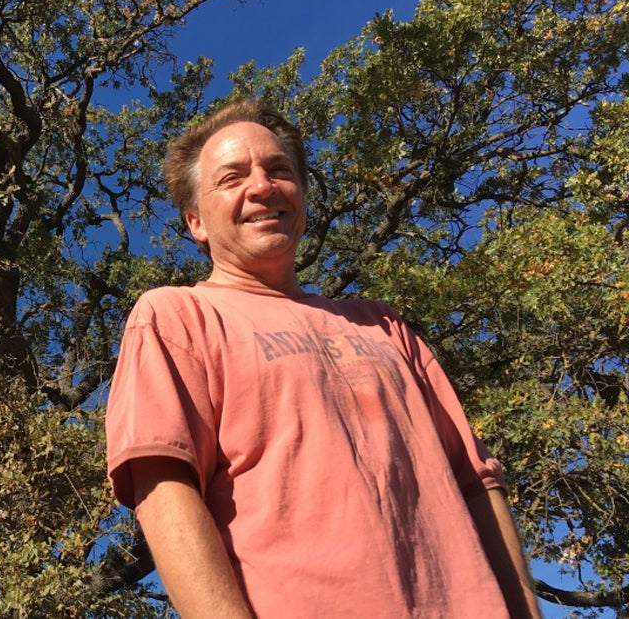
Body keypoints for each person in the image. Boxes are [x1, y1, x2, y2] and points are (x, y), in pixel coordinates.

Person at [105, 100, 543, 618]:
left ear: (303, 197)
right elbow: (165, 488)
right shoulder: (178, 316)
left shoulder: (385, 325)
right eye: (232, 177)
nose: (262, 186)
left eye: (279, 170)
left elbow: (476, 480)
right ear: (196, 220)